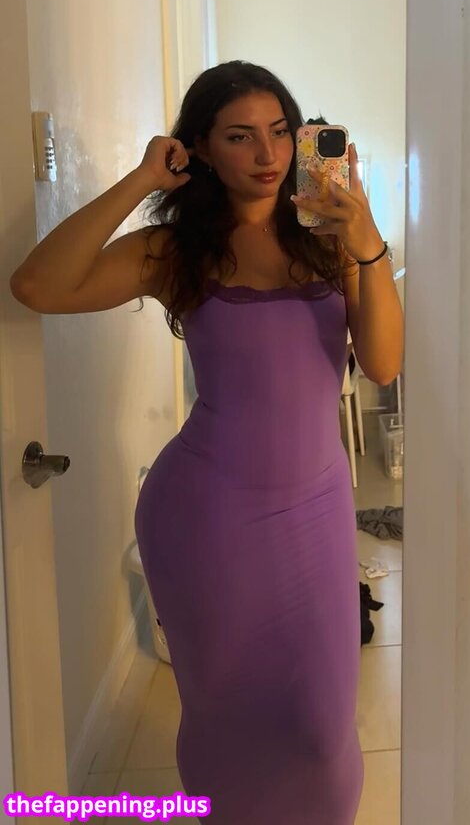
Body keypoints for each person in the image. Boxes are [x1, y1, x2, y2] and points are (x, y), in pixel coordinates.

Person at [9, 60, 405, 824]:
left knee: (323, 731)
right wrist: (139, 180)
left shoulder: (330, 241)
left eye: (280, 131)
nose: (268, 153)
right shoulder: (176, 251)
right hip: (209, 516)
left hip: (318, 511)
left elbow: (384, 363)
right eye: (239, 136)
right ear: (199, 149)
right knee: (227, 720)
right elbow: (38, 287)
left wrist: (366, 239)